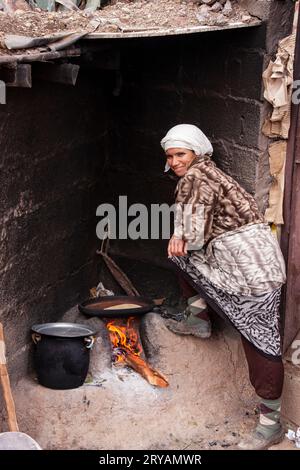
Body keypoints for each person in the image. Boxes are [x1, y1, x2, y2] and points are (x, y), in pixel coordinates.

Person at [161, 124, 286, 450]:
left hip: (249, 273)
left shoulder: (194, 178)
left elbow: (195, 235)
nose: (174, 162)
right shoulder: (212, 173)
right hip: (263, 263)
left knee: (258, 338)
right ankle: (198, 319)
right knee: (260, 333)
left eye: (180, 154)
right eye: (170, 156)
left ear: (196, 153)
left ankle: (271, 425)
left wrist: (180, 235)